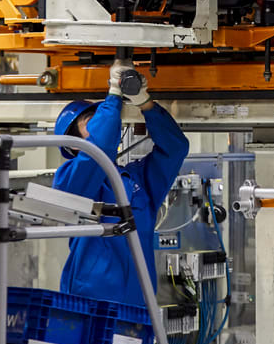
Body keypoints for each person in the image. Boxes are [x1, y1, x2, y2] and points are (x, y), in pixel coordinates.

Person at [53, 60, 189, 308]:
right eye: (89, 121)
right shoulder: (68, 181)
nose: (101, 123)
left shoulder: (134, 180)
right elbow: (101, 147)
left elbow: (176, 148)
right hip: (90, 307)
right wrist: (114, 93)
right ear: (73, 144)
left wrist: (144, 102)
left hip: (138, 305)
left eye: (100, 117)